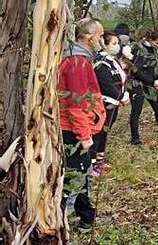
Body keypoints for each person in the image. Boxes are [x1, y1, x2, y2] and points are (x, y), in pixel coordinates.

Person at [59, 18, 107, 231]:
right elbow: (76, 103)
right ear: (89, 38)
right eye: (100, 36)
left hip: (79, 128)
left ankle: (87, 217)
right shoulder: (77, 62)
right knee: (74, 177)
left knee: (81, 173)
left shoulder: (80, 59)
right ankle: (58, 223)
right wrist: (84, 135)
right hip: (73, 131)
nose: (102, 41)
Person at [91, 32, 130, 176]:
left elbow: (121, 77)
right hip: (104, 102)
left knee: (105, 131)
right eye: (113, 43)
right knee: (98, 132)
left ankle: (100, 159)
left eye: (117, 43)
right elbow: (106, 84)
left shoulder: (112, 60)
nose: (117, 46)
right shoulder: (101, 62)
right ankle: (93, 162)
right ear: (104, 45)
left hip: (114, 103)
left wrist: (124, 94)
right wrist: (120, 96)